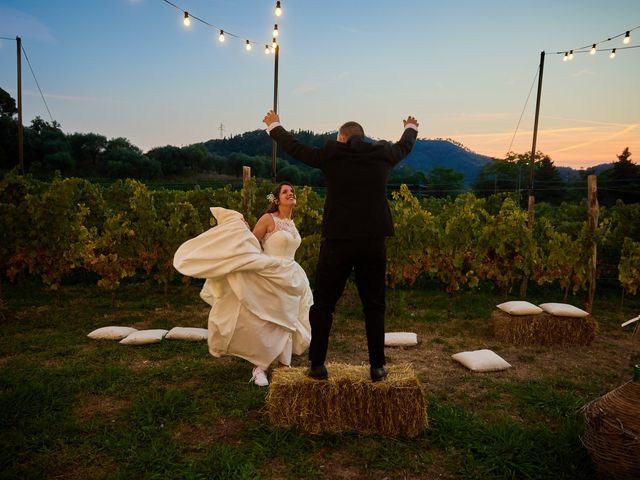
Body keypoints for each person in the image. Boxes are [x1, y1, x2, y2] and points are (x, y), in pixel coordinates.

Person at [263, 111, 418, 382]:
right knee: (374, 306)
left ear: (343, 137)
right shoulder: (382, 155)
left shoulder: (333, 155)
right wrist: (411, 127)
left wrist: (274, 126)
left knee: (323, 304)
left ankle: (317, 365)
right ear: (362, 136)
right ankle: (378, 367)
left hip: (338, 241)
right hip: (374, 241)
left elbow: (296, 148)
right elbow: (404, 146)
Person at [173, 182, 312, 387]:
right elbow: (251, 244)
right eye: (285, 192)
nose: (290, 194)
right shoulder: (267, 219)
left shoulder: (291, 223)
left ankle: (284, 365)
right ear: (276, 199)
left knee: (288, 319)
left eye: (292, 191)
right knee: (267, 320)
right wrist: (244, 232)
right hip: (270, 272)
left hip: (291, 275)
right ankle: (259, 367)